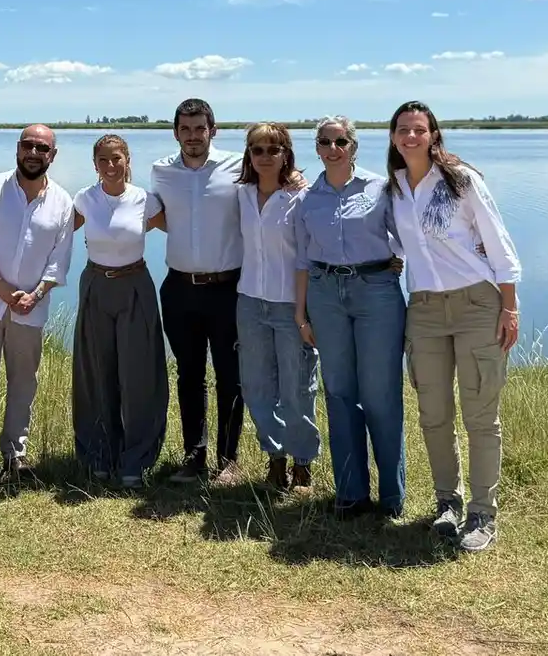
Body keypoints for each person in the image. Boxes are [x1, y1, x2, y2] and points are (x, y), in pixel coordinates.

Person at [387, 100, 521, 553]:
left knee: (480, 415)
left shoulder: (461, 180)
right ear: (393, 137)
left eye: (419, 129)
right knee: (433, 414)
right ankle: (448, 502)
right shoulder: (395, 188)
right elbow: (394, 243)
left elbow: (498, 242)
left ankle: (482, 513)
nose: (411, 136)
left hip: (476, 304)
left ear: (433, 135)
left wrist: (509, 307)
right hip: (424, 308)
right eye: (403, 129)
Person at [295, 115, 406, 518]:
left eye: (340, 141)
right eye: (325, 142)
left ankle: (391, 497)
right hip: (325, 294)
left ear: (353, 147)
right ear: (317, 148)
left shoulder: (381, 188)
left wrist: (398, 261)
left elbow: (407, 235)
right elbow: (302, 259)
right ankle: (351, 491)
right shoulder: (308, 198)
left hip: (375, 292)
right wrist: (302, 315)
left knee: (379, 394)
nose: (333, 149)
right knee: (340, 393)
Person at [0, 124, 75, 483]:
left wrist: (35, 294)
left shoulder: (63, 202)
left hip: (30, 309)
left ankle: (15, 454)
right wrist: (2, 287)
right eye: (28, 145)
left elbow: (59, 262)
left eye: (42, 148)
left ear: (53, 155)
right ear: (18, 148)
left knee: (24, 382)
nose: (34, 153)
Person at [150, 98, 245, 483]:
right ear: (176, 133)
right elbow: (156, 214)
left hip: (228, 288)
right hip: (179, 288)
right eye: (185, 129)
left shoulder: (238, 166)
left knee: (230, 376)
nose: (193, 136)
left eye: (199, 128)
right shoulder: (161, 171)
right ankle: (194, 456)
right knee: (189, 375)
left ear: (212, 130)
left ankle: (229, 460)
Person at [71, 134, 168, 487]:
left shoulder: (145, 200)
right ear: (94, 164)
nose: (110, 166)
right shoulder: (84, 199)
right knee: (96, 373)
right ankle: (100, 453)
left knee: (139, 376)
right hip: (96, 285)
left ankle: (135, 460)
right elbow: (53, 231)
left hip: (135, 285)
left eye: (117, 158)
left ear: (127, 160)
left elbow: (184, 227)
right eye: (103, 159)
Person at [235, 122, 319, 491]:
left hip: (290, 305)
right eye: (258, 149)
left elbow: (309, 255)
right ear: (249, 155)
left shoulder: (302, 197)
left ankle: (302, 462)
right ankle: (275, 458)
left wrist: (303, 312)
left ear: (286, 154)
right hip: (250, 302)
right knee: (256, 387)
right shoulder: (241, 194)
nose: (265, 156)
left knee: (297, 388)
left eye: (273, 149)